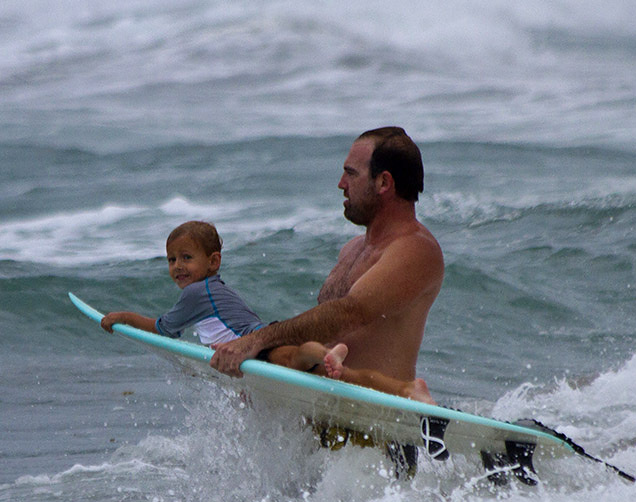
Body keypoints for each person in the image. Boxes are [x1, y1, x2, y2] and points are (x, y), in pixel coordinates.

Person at [209, 127, 444, 389]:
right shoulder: (353, 249)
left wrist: (257, 340)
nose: (341, 184)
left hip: (371, 420)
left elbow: (348, 314)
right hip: (324, 408)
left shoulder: (415, 250)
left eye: (351, 174)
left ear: (384, 183)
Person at [99, 220, 434, 403]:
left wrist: (121, 319)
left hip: (254, 345)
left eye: (186, 258)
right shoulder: (216, 289)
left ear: (213, 262)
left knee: (297, 360)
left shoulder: (198, 293)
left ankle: (329, 355)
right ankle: (399, 386)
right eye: (171, 260)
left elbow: (162, 330)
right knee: (308, 363)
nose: (177, 267)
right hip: (264, 339)